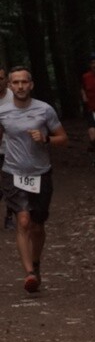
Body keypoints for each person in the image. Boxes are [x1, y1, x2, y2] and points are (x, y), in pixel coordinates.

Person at [0, 65, 68, 293]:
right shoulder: (2, 112)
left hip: (40, 173)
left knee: (38, 226)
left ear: (31, 85)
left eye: (24, 82)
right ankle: (29, 273)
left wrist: (46, 138)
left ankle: (36, 264)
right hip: (13, 172)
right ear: (10, 86)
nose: (20, 86)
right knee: (23, 221)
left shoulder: (44, 110)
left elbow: (63, 138)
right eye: (15, 82)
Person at [0, 66, 16, 230]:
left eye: (0, 78)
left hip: (12, 147)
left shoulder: (14, 96)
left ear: (6, 80)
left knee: (11, 183)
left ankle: (9, 216)